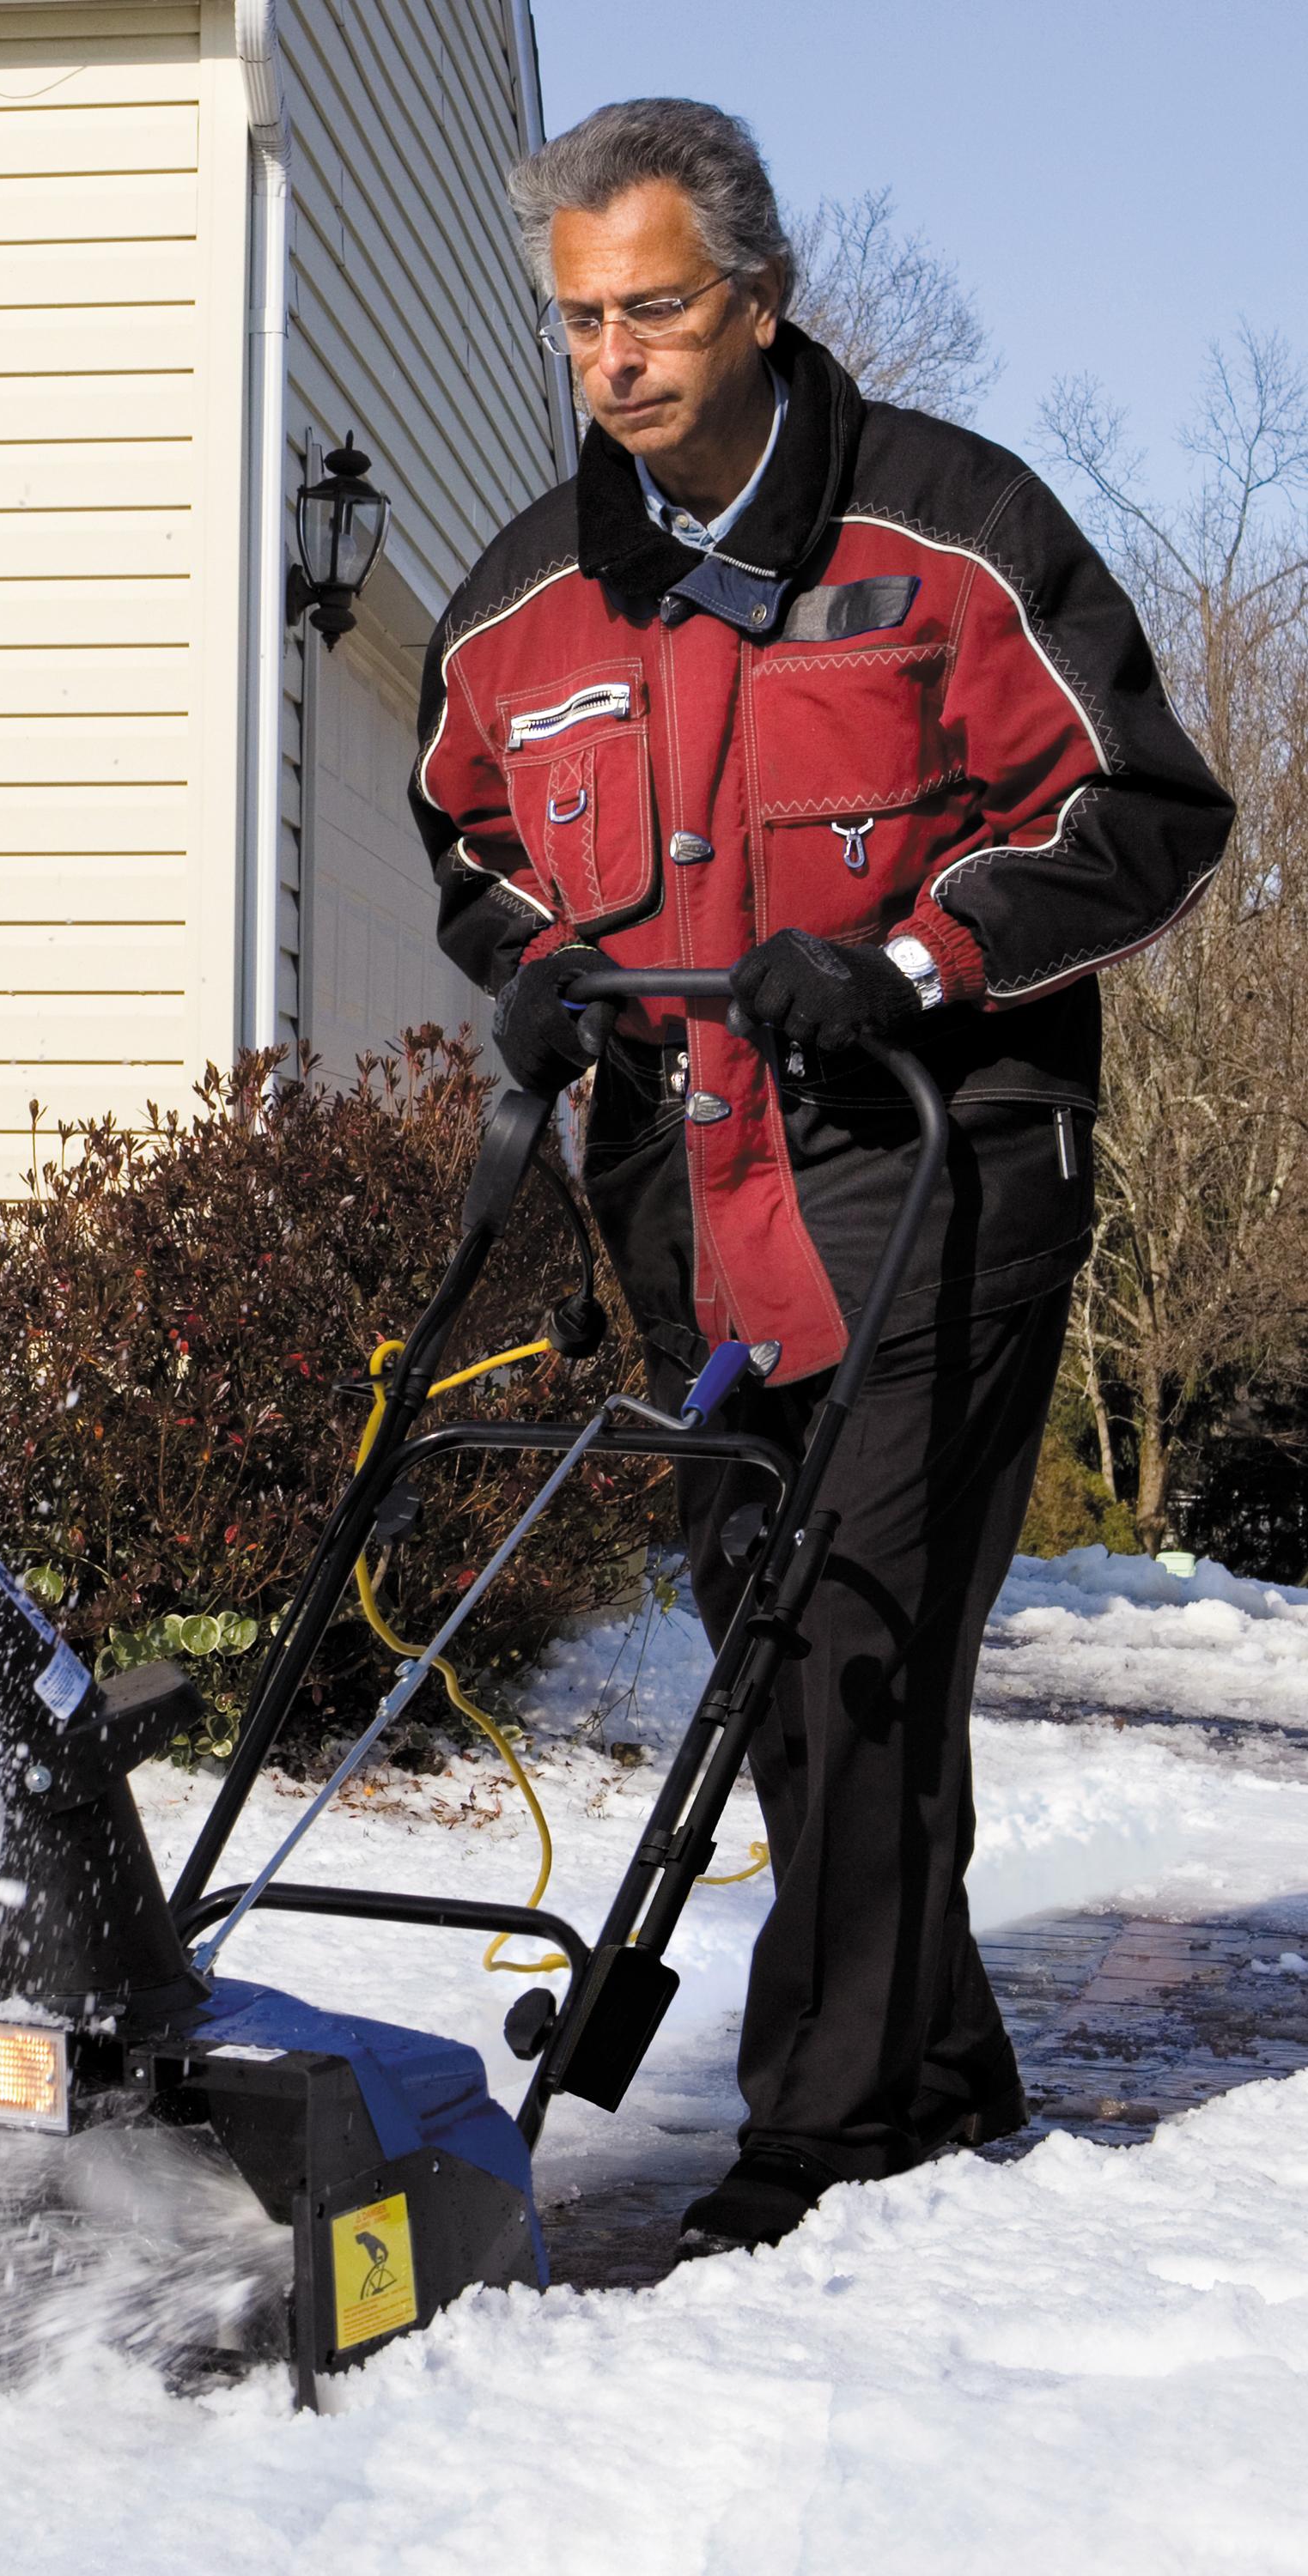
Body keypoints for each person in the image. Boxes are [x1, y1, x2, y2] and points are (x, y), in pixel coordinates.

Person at [411, 98, 1233, 2252]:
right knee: (770, 1627)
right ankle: (937, 2060)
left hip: (931, 1155)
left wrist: (909, 959)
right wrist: (543, 980)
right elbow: (472, 843)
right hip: (681, 1173)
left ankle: (831, 2132)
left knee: (847, 1627)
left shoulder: (953, 535)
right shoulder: (521, 604)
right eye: (584, 316)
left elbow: (1141, 808)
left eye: (658, 308)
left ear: (761, 301)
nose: (616, 354)